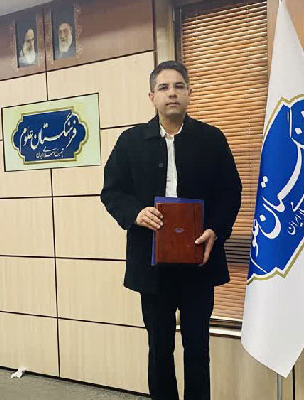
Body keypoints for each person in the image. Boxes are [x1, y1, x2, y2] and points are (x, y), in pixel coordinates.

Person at [101, 61, 241, 400]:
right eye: (163, 87)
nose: (172, 93)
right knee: (159, 347)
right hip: (152, 264)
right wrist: (136, 213)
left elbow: (230, 192)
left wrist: (216, 229)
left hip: (198, 260)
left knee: (198, 347)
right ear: (152, 96)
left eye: (179, 86)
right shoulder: (131, 142)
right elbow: (112, 192)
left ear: (189, 93)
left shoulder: (211, 140)